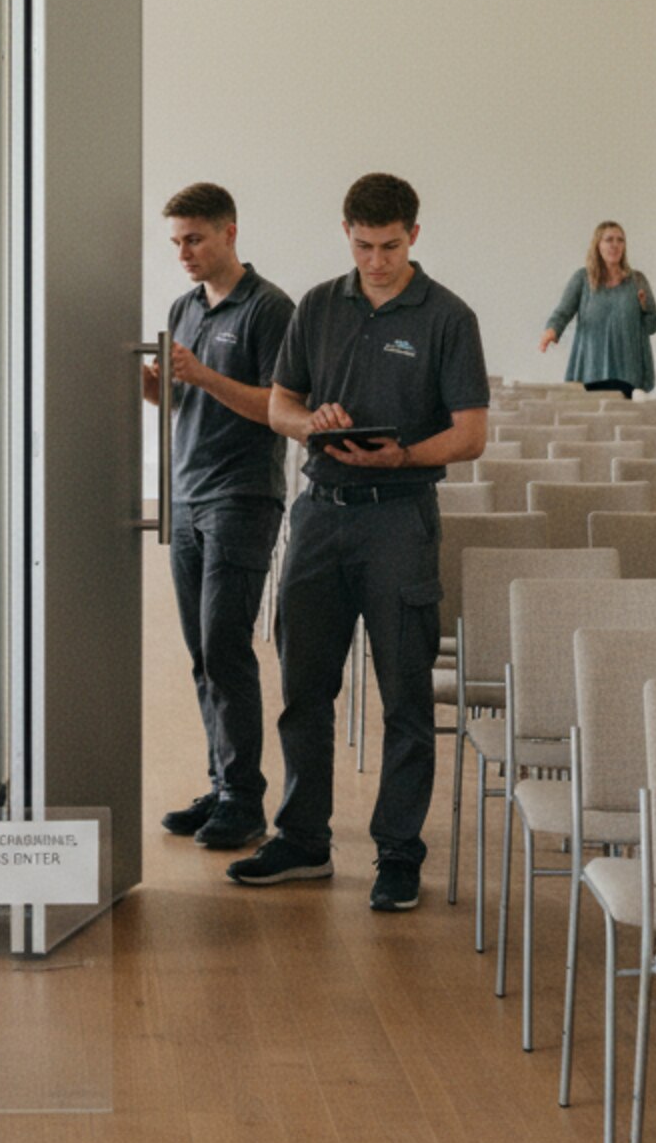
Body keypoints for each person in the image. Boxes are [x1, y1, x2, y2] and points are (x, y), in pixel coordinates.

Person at [231, 172, 488, 913]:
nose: (376, 261)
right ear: (346, 233)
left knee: (405, 693)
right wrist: (311, 423)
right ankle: (304, 838)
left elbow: (469, 434)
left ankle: (399, 853)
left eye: (391, 246)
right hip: (319, 514)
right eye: (364, 246)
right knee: (303, 685)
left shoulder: (447, 316)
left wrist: (402, 455)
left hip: (400, 516)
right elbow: (281, 404)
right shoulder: (317, 305)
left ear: (414, 235)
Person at [145, 183, 294, 853]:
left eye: (195, 239)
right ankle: (222, 781)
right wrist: (155, 383)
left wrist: (201, 376)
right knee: (202, 653)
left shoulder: (269, 309)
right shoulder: (183, 306)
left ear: (230, 233)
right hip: (187, 494)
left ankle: (244, 800)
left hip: (242, 496)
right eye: (176, 242)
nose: (184, 253)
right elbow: (179, 403)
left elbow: (276, 408)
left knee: (226, 646)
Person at [539, 221, 656, 396]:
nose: (615, 245)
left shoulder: (637, 280)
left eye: (620, 240)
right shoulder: (582, 279)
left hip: (629, 372)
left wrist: (644, 305)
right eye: (609, 240)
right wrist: (551, 331)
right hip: (590, 371)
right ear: (598, 245)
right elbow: (562, 313)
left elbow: (652, 326)